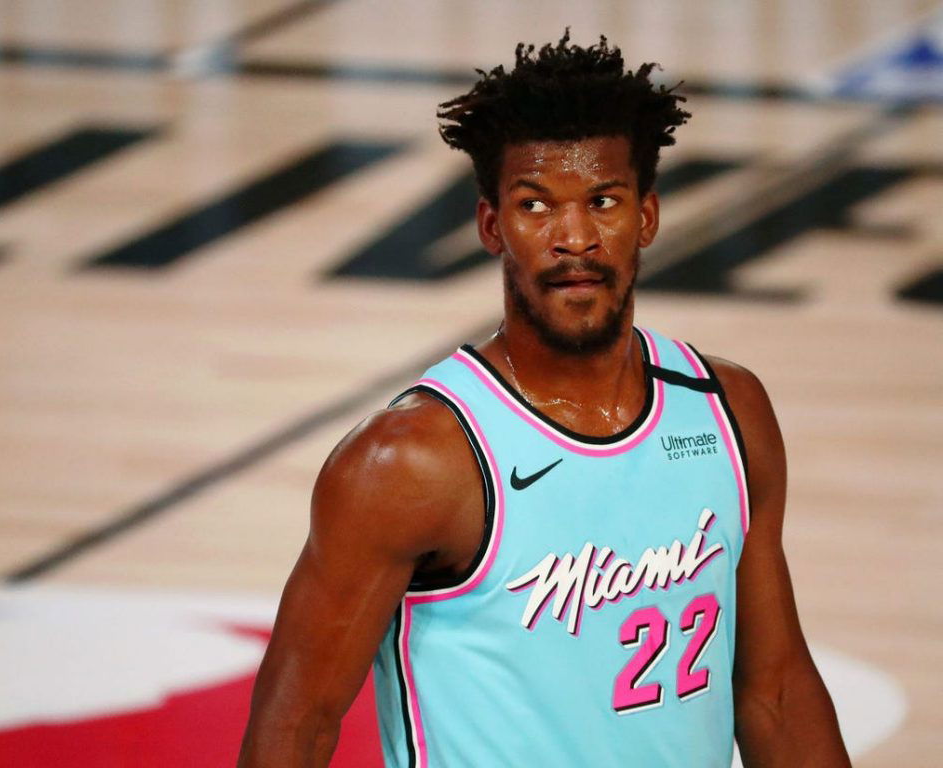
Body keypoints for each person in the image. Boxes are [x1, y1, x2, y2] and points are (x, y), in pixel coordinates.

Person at [238, 33, 850, 767]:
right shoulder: (410, 462)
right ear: (491, 225)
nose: (574, 238)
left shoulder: (728, 411)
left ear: (647, 216)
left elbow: (774, 691)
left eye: (603, 201)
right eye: (535, 205)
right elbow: (297, 724)